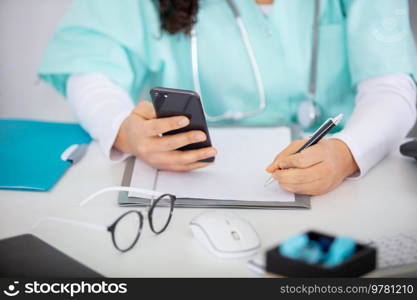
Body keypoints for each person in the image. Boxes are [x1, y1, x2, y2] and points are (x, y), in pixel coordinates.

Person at [39, 0, 417, 195]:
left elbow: (390, 85)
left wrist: (347, 152)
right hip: (183, 186)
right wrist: (124, 130)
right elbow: (89, 69)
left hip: (346, 183)